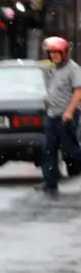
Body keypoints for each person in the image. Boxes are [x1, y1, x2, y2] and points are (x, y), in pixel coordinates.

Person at [36, 36, 81, 194]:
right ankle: (50, 182)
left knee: (71, 150)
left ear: (64, 54)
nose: (53, 55)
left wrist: (69, 111)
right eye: (51, 52)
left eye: (57, 52)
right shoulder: (52, 69)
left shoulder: (72, 68)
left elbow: (78, 91)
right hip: (52, 115)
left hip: (67, 115)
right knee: (49, 149)